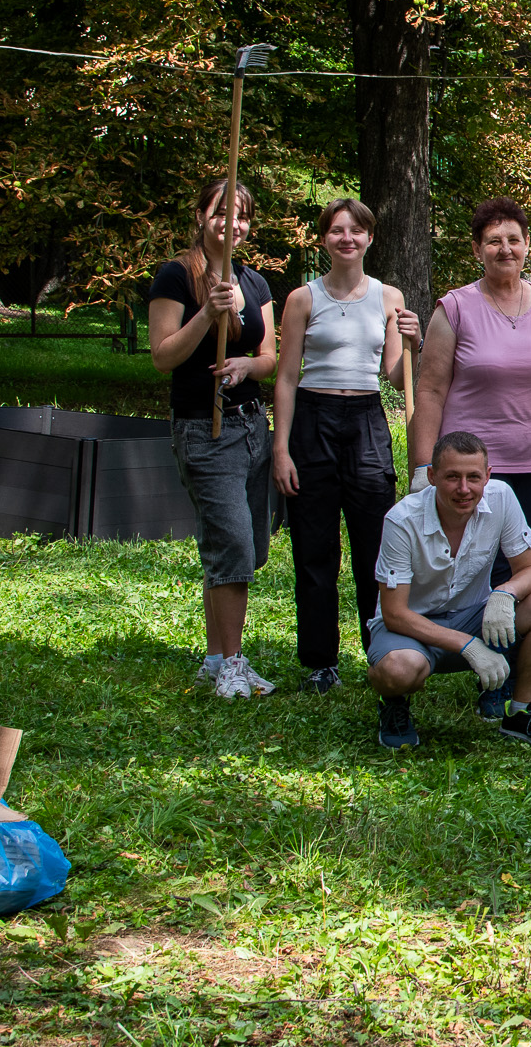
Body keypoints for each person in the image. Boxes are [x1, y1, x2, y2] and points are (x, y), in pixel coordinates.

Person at [407, 197, 531, 716]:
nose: (505, 248)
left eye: (514, 238)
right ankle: (477, 664)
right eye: (493, 240)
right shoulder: (455, 307)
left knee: (517, 573)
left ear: (527, 245)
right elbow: (429, 391)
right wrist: (423, 468)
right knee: (480, 572)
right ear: (477, 249)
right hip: (474, 469)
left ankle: (505, 684)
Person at [271, 198, 421, 693]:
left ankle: (381, 649)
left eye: (356, 230)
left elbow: (397, 378)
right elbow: (287, 377)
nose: (347, 238)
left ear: (370, 238)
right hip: (312, 420)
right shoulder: (302, 299)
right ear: (324, 239)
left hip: (365, 421)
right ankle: (320, 662)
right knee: (315, 549)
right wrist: (281, 449)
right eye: (337, 231)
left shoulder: (387, 297)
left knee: (374, 547)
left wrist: (413, 342)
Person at [148, 178, 279, 699]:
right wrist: (208, 313)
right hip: (205, 427)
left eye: (242, 216)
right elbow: (163, 356)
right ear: (201, 216)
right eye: (222, 212)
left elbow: (269, 356)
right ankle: (233, 663)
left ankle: (213, 657)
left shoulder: (257, 282)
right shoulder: (177, 276)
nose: (233, 223)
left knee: (246, 548)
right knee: (233, 546)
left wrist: (249, 363)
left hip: (250, 427)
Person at [366, 432, 531, 750]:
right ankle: (393, 703)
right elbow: (394, 613)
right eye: (452, 477)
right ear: (432, 476)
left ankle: (521, 714)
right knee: (398, 670)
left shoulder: (501, 496)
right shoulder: (401, 520)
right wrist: (468, 646)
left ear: (487, 476)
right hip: (410, 629)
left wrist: (505, 593)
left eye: (473, 477)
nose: (464, 489)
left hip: (474, 617)